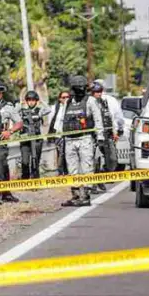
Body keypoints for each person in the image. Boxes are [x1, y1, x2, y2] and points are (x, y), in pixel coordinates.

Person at [60, 75, 105, 207]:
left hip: (85, 138)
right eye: (76, 88)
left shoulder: (90, 101)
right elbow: (62, 119)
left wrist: (100, 137)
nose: (79, 90)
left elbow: (98, 119)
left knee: (87, 167)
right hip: (69, 140)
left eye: (81, 87)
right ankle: (75, 195)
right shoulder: (68, 102)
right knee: (72, 169)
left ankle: (85, 196)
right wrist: (58, 137)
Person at [0, 82, 23, 203]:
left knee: (0, 169)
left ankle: (0, 196)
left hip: (0, 140)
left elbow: (19, 123)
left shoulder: (8, 107)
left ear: (2, 93)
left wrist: (10, 131)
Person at [90, 82, 122, 192]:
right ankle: (95, 183)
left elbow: (111, 117)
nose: (98, 94)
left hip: (107, 136)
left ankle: (101, 176)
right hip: (95, 137)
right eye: (95, 92)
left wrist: (115, 131)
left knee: (112, 160)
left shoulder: (105, 103)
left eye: (99, 92)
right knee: (95, 161)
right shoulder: (89, 104)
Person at [18, 90, 50, 180]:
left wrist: (41, 101)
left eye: (33, 100)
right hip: (25, 140)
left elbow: (48, 109)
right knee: (25, 161)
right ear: (26, 101)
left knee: (35, 161)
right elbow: (14, 112)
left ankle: (35, 181)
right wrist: (21, 103)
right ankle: (25, 181)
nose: (31, 102)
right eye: (29, 100)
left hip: (36, 140)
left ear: (36, 101)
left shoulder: (39, 111)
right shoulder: (22, 111)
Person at [48, 90, 72, 176]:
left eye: (67, 97)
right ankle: (61, 172)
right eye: (63, 97)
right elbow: (51, 120)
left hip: (69, 134)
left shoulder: (72, 107)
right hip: (58, 134)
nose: (65, 99)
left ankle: (68, 171)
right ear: (59, 99)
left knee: (68, 153)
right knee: (60, 153)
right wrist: (51, 135)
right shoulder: (56, 107)